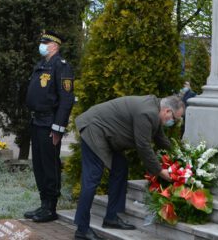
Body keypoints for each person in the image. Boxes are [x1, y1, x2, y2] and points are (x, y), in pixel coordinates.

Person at [73, 95, 184, 240]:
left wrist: (180, 155)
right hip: (94, 129)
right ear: (167, 111)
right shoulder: (148, 112)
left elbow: (160, 139)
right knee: (92, 178)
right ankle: (82, 229)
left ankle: (111, 218)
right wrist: (159, 171)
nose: (173, 122)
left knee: (120, 168)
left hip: (105, 134)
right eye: (174, 118)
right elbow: (143, 146)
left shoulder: (155, 111)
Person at [23, 30, 75, 224]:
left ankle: (50, 207)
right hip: (37, 122)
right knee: (39, 165)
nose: (42, 45)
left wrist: (58, 128)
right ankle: (43, 203)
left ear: (54, 46)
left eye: (45, 43)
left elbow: (66, 100)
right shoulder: (42, 65)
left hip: (49, 124)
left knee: (49, 165)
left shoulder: (62, 66)